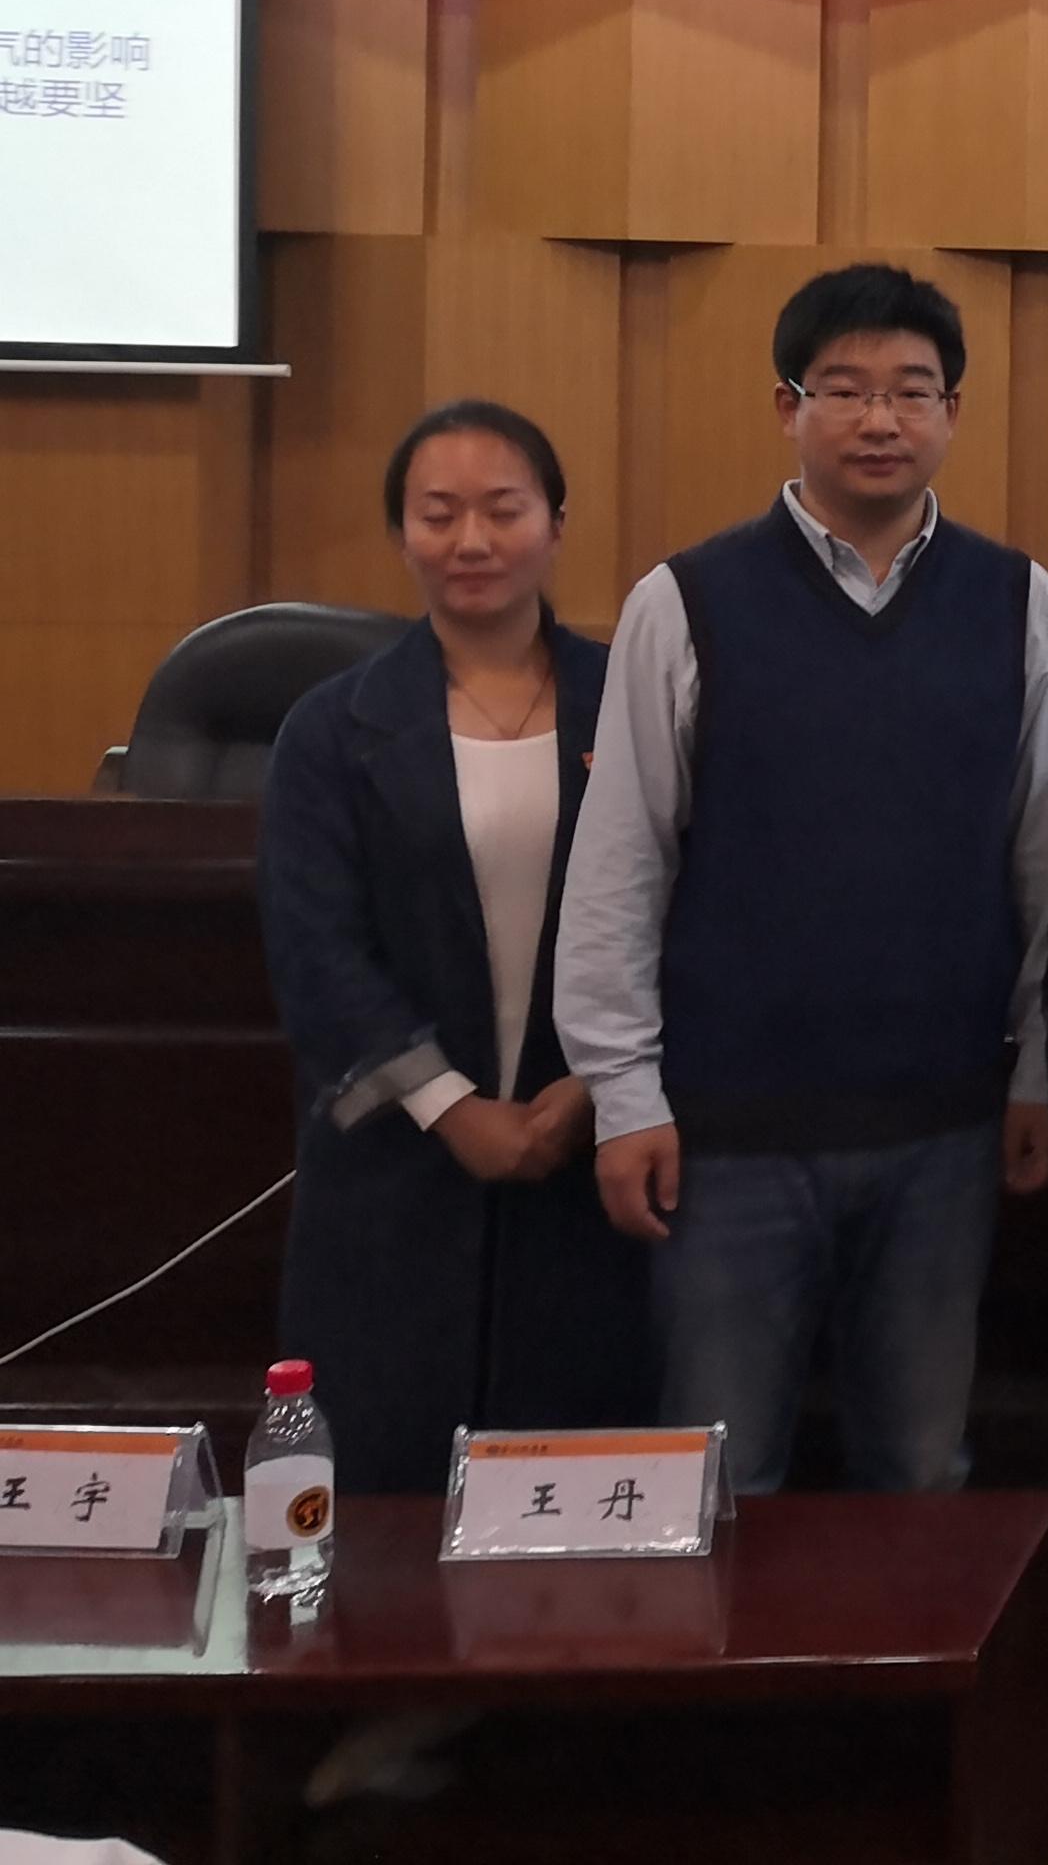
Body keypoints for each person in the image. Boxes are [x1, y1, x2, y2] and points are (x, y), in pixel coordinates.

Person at [553, 262, 1048, 1495]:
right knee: (716, 1479)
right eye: (844, 389)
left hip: (944, 1128)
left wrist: (1042, 1072)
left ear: (953, 412)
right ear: (786, 407)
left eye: (912, 390)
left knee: (919, 1471)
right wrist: (624, 1095)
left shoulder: (1019, 602)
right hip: (728, 1134)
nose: (879, 419)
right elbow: (622, 863)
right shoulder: (685, 601)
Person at [257, 400, 651, 1496]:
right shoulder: (332, 728)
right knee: (386, 1480)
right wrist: (451, 1107)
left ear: (557, 523)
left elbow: (691, 912)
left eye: (502, 510)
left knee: (578, 1486)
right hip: (397, 1164)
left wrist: (596, 1086)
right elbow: (316, 949)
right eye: (438, 514)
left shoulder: (635, 706)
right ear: (401, 535)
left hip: (594, 1150)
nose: (471, 540)